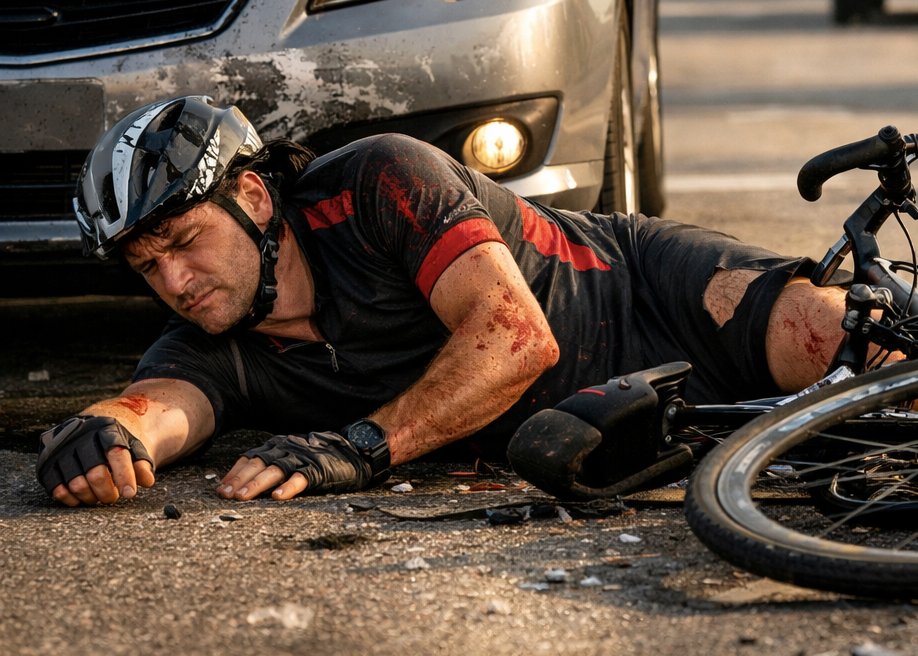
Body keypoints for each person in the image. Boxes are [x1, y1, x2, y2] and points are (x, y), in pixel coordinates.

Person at [39, 98, 854, 509]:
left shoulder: (378, 181)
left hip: (643, 293)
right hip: (620, 426)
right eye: (148, 267)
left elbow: (518, 339)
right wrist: (102, 436)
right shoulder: (207, 339)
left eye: (185, 242)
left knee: (830, 340)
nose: (176, 282)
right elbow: (157, 409)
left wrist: (363, 445)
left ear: (253, 196)